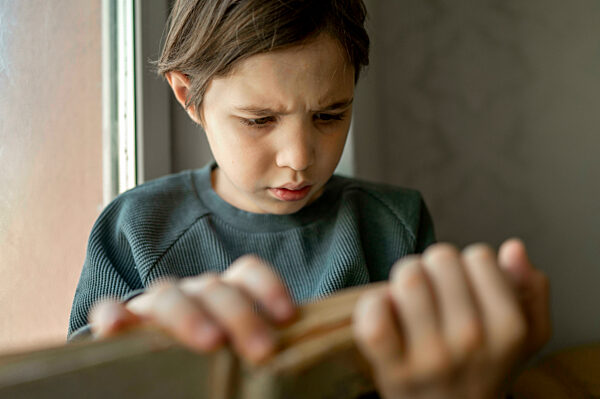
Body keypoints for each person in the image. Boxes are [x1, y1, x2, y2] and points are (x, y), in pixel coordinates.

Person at [68, 0, 550, 397]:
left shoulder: (393, 223)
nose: (299, 159)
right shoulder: (135, 226)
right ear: (187, 95)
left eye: (330, 115)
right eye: (259, 120)